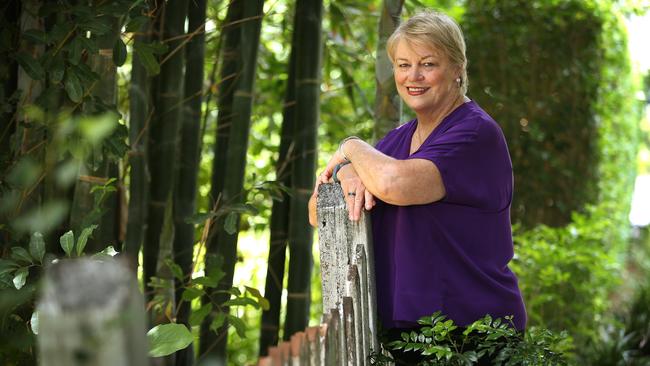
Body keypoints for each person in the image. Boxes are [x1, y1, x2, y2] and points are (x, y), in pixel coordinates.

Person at [308, 9, 526, 365]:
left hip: (470, 333)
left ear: (458, 68)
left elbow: (394, 184)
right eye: (403, 64)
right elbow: (318, 212)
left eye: (428, 64)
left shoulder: (474, 134)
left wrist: (351, 147)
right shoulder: (397, 141)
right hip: (407, 336)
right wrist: (349, 171)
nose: (413, 76)